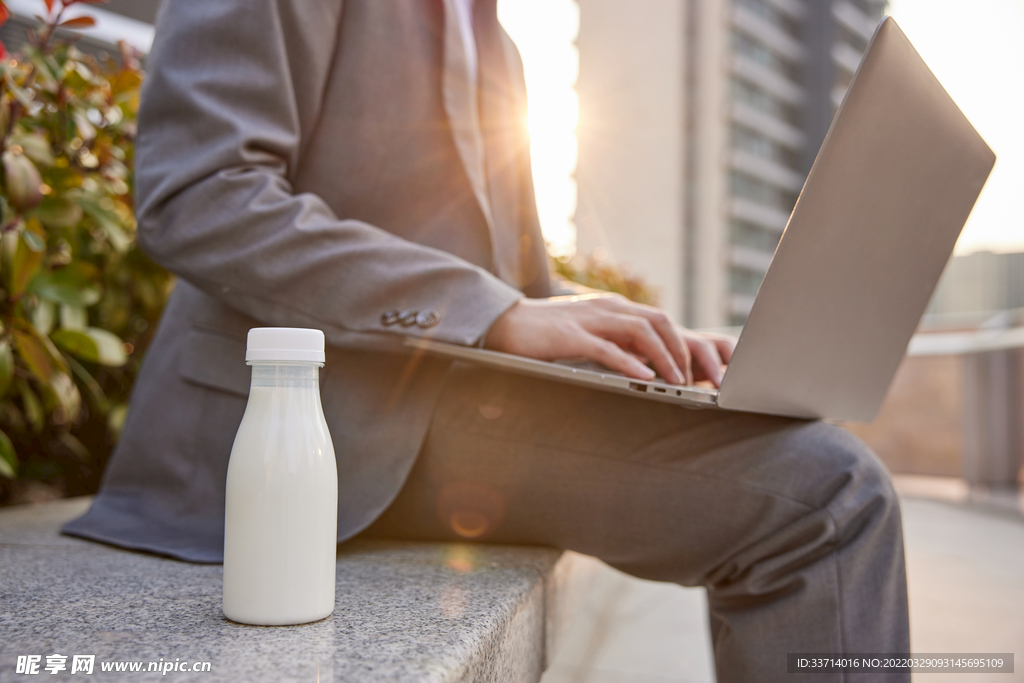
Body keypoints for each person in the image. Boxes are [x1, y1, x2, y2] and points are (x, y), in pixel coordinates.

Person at [64, 1, 910, 680]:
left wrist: (639, 334)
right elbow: (200, 193)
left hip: (445, 396)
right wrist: (496, 310)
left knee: (821, 472)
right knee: (826, 499)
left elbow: (519, 285)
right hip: (303, 423)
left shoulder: (493, 39)